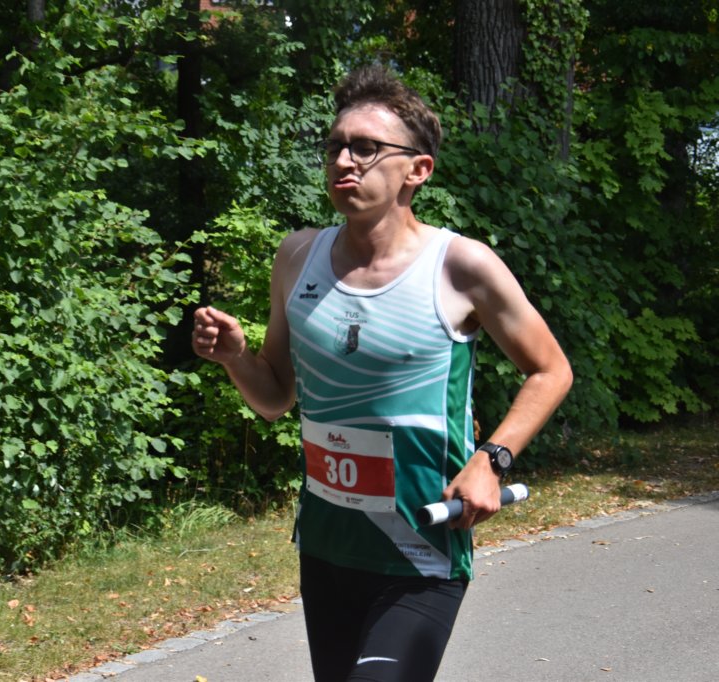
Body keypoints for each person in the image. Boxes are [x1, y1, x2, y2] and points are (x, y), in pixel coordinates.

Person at [191, 63, 573, 682]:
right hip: (329, 546)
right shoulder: (297, 256)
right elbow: (275, 397)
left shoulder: (461, 266)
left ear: (417, 169)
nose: (344, 160)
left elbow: (551, 370)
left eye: (366, 148)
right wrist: (235, 357)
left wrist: (491, 459)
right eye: (336, 147)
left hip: (422, 549)